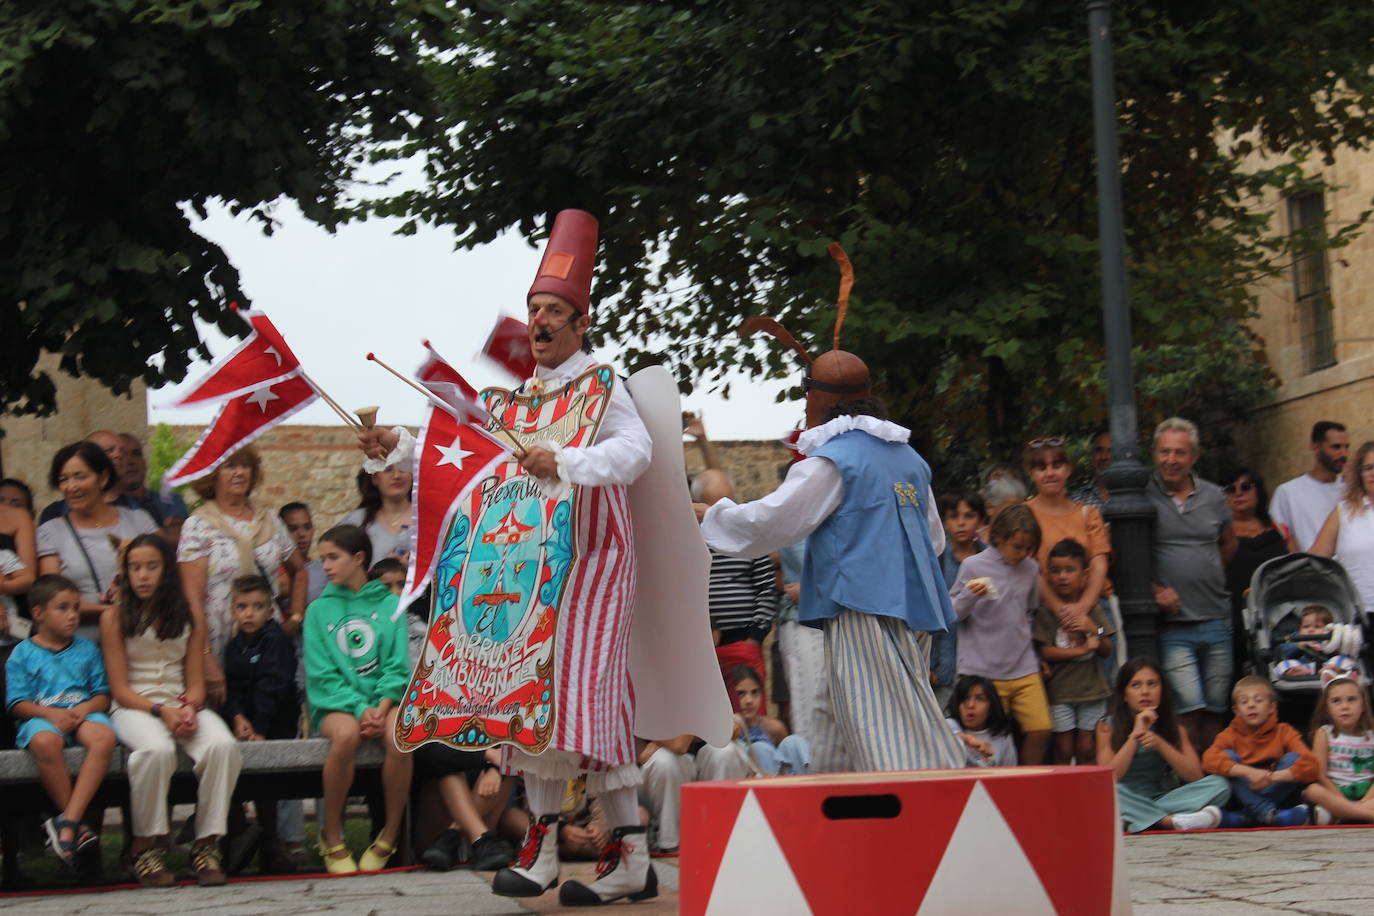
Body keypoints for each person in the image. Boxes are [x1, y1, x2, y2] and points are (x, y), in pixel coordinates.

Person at [699, 257, 963, 778]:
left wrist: (711, 515)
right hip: (916, 610)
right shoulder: (908, 457)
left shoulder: (832, 461)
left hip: (862, 609)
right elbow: (932, 541)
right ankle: (856, 820)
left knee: (887, 727)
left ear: (816, 399)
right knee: (863, 716)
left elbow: (772, 523)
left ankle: (933, 815)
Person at [100, 533, 241, 887]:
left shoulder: (189, 612)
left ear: (166, 570)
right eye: (135, 568)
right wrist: (161, 711)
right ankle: (143, 847)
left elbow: (194, 681)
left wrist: (190, 707)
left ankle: (205, 844)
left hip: (181, 702)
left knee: (222, 746)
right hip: (136, 705)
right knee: (155, 751)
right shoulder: (114, 617)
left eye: (151, 567)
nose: (142, 575)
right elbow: (118, 688)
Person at [304, 524, 412, 875]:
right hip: (337, 704)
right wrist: (360, 708)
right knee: (346, 735)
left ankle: (389, 834)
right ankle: (331, 835)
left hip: (383, 702)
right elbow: (322, 675)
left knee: (400, 737)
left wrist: (380, 707)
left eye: (333, 557)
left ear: (359, 558)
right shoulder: (318, 612)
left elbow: (397, 666)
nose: (326, 566)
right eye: (323, 559)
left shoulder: (392, 604)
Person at [177, 447, 305, 707]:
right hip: (218, 637)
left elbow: (300, 570)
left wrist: (295, 616)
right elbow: (192, 601)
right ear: (212, 474)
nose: (239, 472)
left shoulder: (270, 519)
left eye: (245, 465)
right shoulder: (198, 525)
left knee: (268, 716)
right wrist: (207, 659)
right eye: (230, 465)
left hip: (266, 642)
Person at [5, 574, 116, 867]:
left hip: (83, 713)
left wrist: (86, 709)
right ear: (38, 613)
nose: (72, 615)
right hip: (43, 717)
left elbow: (102, 695)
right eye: (63, 608)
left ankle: (68, 821)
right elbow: (17, 704)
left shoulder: (87, 649)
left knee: (104, 738)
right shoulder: (22, 653)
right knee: (44, 741)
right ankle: (75, 824)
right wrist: (51, 714)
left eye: (76, 608)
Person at [1148, 417, 1237, 752]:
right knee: (1188, 708)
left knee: (1215, 709)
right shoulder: (1142, 495)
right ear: (1155, 454)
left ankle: (1212, 781)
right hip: (1174, 624)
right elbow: (1126, 555)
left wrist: (1207, 572)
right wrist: (1156, 589)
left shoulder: (1214, 496)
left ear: (1194, 457)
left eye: (1179, 453)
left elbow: (1228, 542)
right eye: (1165, 452)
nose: (1171, 460)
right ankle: (1191, 785)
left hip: (1216, 617)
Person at [950, 504, 1050, 765]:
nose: (1024, 553)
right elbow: (952, 613)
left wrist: (1036, 654)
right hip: (983, 670)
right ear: (999, 538)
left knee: (1041, 727)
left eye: (1029, 548)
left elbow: (1029, 611)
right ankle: (995, 789)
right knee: (991, 737)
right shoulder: (973, 565)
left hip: (1023, 666)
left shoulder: (1030, 568)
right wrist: (970, 595)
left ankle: (1027, 785)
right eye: (1018, 546)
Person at [37, 441, 157, 640]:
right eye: (64, 479)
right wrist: (108, 610)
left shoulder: (139, 520)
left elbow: (166, 574)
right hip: (83, 646)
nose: (71, 486)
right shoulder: (51, 532)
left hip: (140, 640)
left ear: (102, 478)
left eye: (79, 476)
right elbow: (51, 597)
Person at [1095, 659, 1230, 832]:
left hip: (1161, 798)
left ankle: (1137, 818)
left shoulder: (1174, 727)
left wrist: (1160, 744)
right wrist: (1135, 737)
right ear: (1124, 695)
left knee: (1220, 785)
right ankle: (1168, 821)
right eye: (1136, 685)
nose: (1145, 692)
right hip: (1124, 795)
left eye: (1152, 684)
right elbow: (1109, 779)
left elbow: (1195, 776)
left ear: (1162, 690)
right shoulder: (1107, 726)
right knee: (1109, 791)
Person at [222, 574, 299, 873]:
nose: (249, 613)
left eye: (256, 607)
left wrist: (261, 730)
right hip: (248, 725)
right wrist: (238, 718)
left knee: (267, 786)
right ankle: (240, 834)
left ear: (270, 611)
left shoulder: (275, 640)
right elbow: (232, 689)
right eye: (242, 607)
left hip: (275, 724)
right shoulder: (233, 647)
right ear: (233, 611)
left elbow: (273, 687)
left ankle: (271, 845)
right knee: (236, 775)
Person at [694, 469, 779, 713]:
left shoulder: (749, 536)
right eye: (713, 506)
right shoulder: (688, 537)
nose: (721, 513)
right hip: (703, 647)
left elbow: (766, 587)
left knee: (751, 717)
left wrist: (755, 637)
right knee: (709, 716)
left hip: (744, 642)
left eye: (727, 505)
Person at [1033, 538, 1114, 765]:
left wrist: (1093, 629)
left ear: (1085, 575)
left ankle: (1086, 795)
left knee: (1087, 747)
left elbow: (1107, 649)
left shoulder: (1092, 609)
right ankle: (1064, 795)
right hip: (1061, 693)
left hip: (1093, 691)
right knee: (1063, 747)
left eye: (1070, 570)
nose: (1062, 576)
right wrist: (1080, 650)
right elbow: (1045, 652)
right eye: (1055, 571)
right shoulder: (1046, 613)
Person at [1022, 436, 1112, 636]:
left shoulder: (1089, 514)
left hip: (1094, 613)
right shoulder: (1023, 515)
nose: (1050, 473)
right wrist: (1062, 611)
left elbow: (1099, 564)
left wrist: (1082, 607)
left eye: (1057, 465)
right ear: (1031, 473)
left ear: (1068, 469)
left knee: (1106, 663)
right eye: (1041, 467)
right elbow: (1027, 567)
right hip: (1043, 615)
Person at [1202, 675, 1318, 827]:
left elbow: (1312, 765)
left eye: (1258, 700)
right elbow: (1208, 760)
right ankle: (1268, 814)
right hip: (1241, 794)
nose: (1251, 705)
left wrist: (1273, 777)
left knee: (1293, 759)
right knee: (1227, 757)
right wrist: (1247, 772)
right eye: (1244, 702)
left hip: (1277, 791)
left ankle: (1248, 817)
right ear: (1236, 711)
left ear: (1272, 707)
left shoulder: (1284, 731)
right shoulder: (1229, 734)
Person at [1220, 467, 1292, 673]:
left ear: (1258, 491)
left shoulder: (1279, 529)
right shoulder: (1217, 533)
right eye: (1230, 489)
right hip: (1232, 618)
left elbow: (1298, 566)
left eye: (1245, 487)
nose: (1238, 493)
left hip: (1276, 616)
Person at [695, 666, 809, 778]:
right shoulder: (721, 727)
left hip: (774, 777)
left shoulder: (773, 727)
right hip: (745, 784)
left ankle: (807, 786)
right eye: (740, 694)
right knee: (760, 749)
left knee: (794, 742)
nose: (749, 701)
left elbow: (785, 760)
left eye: (755, 692)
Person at [934, 491, 987, 711]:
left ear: (981, 520)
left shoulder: (991, 559)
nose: (961, 523)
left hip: (983, 661)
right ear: (944, 522)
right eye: (954, 516)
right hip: (944, 664)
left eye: (969, 516)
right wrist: (929, 664)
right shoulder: (936, 559)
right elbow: (929, 614)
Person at [1311, 440, 1374, 616]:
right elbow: (1314, 558)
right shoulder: (1343, 511)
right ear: (1359, 474)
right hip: (1358, 613)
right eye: (1368, 468)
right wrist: (1271, 583)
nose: (1373, 473)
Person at [1302, 675, 1374, 824]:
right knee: (1312, 790)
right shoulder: (1324, 734)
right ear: (1327, 708)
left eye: (1352, 699)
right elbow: (1320, 775)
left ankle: (1341, 814)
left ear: (1363, 705)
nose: (1345, 706)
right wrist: (1340, 800)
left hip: (1367, 793)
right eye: (1336, 701)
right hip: (1335, 792)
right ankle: (1366, 815)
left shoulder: (1371, 735)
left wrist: (1364, 800)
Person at [1271, 421, 1349, 552]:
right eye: (1336, 447)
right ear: (1315, 447)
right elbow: (1279, 538)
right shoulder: (1288, 492)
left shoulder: (1352, 489)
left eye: (1346, 447)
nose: (1344, 454)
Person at [36, 430, 138, 524]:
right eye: (108, 451)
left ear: (103, 478)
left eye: (122, 451)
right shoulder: (55, 514)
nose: (118, 455)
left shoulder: (140, 509)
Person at [117, 432, 189, 536]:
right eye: (122, 456)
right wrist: (164, 531)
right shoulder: (108, 508)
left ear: (145, 462)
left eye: (136, 453)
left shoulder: (172, 502)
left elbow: (180, 537)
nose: (130, 461)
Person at [341, 466, 413, 563]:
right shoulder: (357, 520)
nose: (396, 476)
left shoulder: (430, 518)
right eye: (388, 470)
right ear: (374, 478)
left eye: (403, 468)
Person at [1270, 606, 1360, 681]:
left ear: (1327, 627)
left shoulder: (1331, 637)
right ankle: (1296, 672)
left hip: (1327, 664)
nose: (1311, 630)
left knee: (1342, 659)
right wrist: (1298, 645)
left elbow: (1342, 649)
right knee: (1283, 665)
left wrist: (1335, 646)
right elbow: (1284, 650)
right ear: (1299, 628)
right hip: (1305, 666)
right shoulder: (1296, 637)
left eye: (1317, 626)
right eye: (1306, 626)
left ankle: (1333, 670)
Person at [946, 675, 1017, 768]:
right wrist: (970, 740)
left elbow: (1010, 775)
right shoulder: (949, 724)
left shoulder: (1002, 737)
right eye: (965, 698)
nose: (970, 705)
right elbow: (945, 735)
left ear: (991, 708)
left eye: (980, 699)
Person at [1071, 431, 1113, 509]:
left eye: (1111, 451)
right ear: (1091, 455)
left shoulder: (1135, 496)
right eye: (1099, 450)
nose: (1104, 457)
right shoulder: (1077, 499)